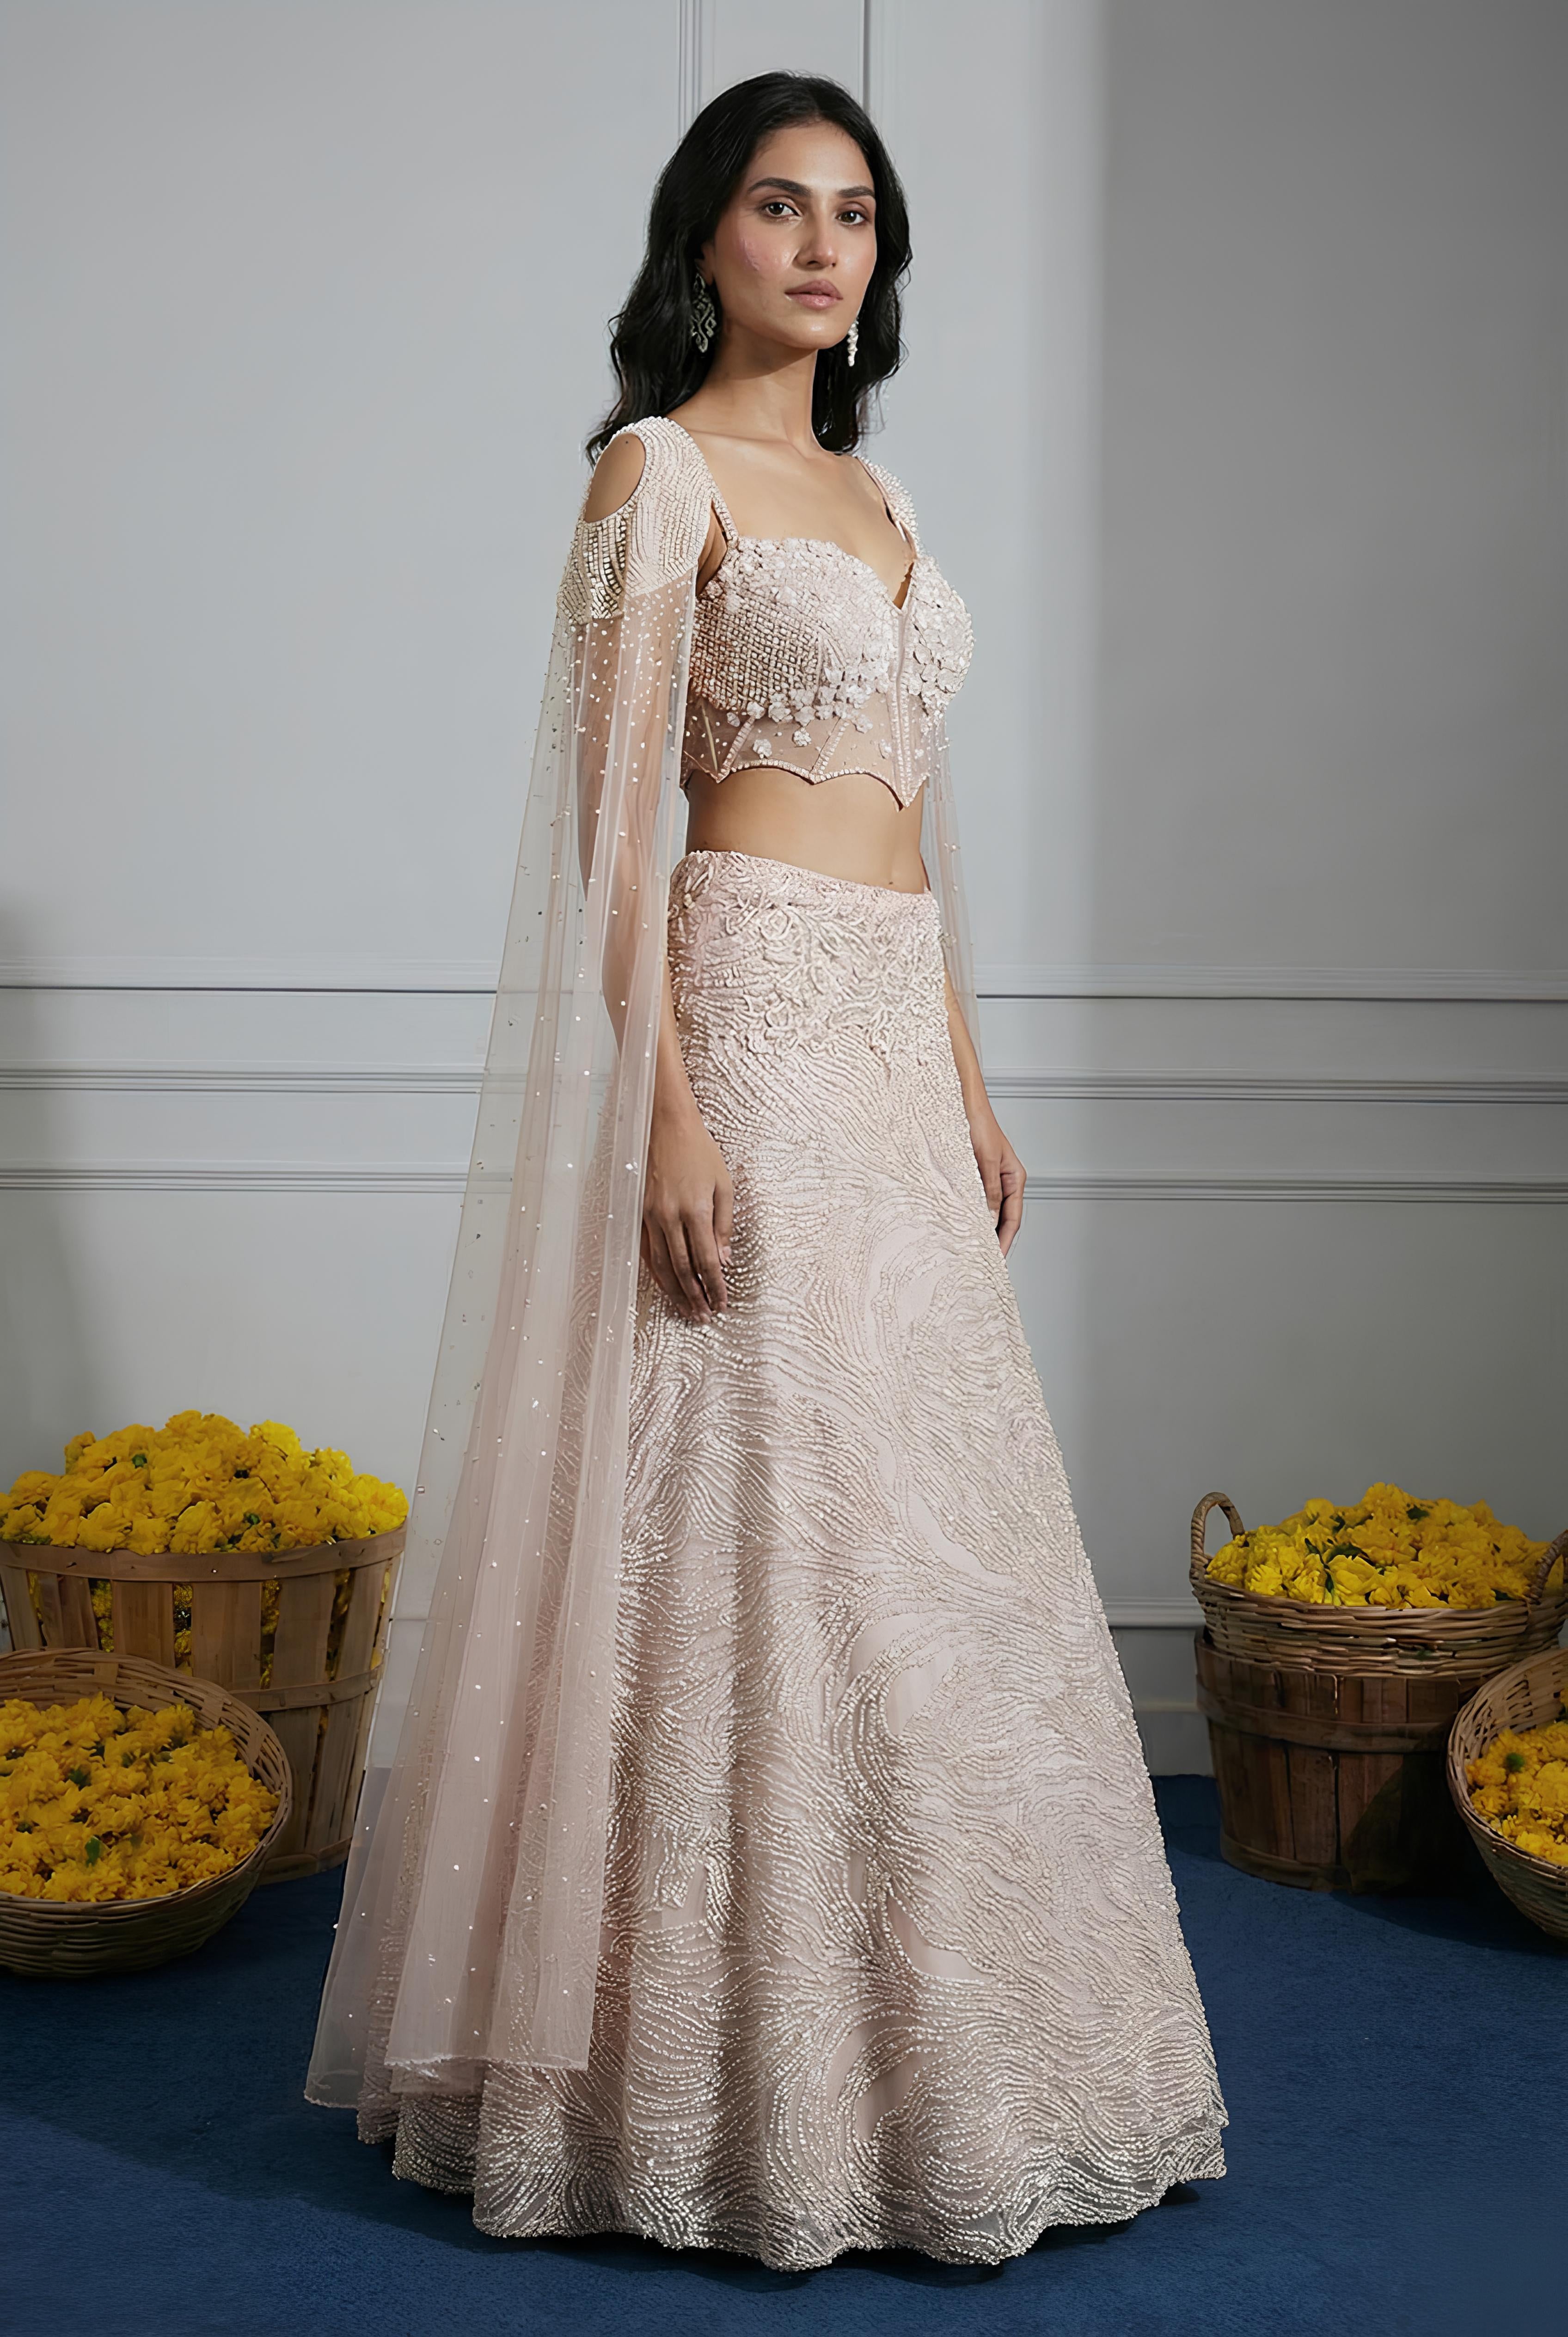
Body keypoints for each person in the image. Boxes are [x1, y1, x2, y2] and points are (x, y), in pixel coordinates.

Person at [307, 70, 1228, 2270]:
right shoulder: (652, 476)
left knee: (931, 1535)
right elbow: (614, 826)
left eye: (855, 215)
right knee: (758, 1511)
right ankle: (705, 2079)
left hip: (892, 1036)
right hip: (738, 1013)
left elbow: (919, 823)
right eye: (776, 206)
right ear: (702, 241)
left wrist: (972, 1078)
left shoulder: (875, 491)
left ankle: (960, 2051)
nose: (822, 247)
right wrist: (669, 1111)